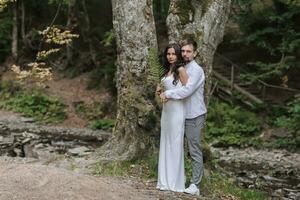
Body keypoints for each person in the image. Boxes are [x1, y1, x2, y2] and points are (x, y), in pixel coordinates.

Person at [160, 38, 207, 196]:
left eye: (189, 51)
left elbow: (187, 91)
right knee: (175, 147)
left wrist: (168, 93)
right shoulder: (178, 67)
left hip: (194, 114)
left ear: (195, 53)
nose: (185, 54)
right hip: (178, 113)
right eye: (184, 51)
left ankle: (195, 185)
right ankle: (173, 178)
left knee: (194, 149)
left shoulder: (197, 70)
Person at [156, 43, 189, 192]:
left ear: (178, 55)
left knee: (175, 145)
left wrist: (168, 94)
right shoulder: (166, 71)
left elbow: (186, 90)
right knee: (166, 143)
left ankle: (175, 183)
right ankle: (164, 181)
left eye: (173, 54)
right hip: (166, 111)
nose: (170, 56)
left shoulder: (181, 70)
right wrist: (159, 90)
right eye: (168, 54)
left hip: (177, 110)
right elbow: (163, 88)